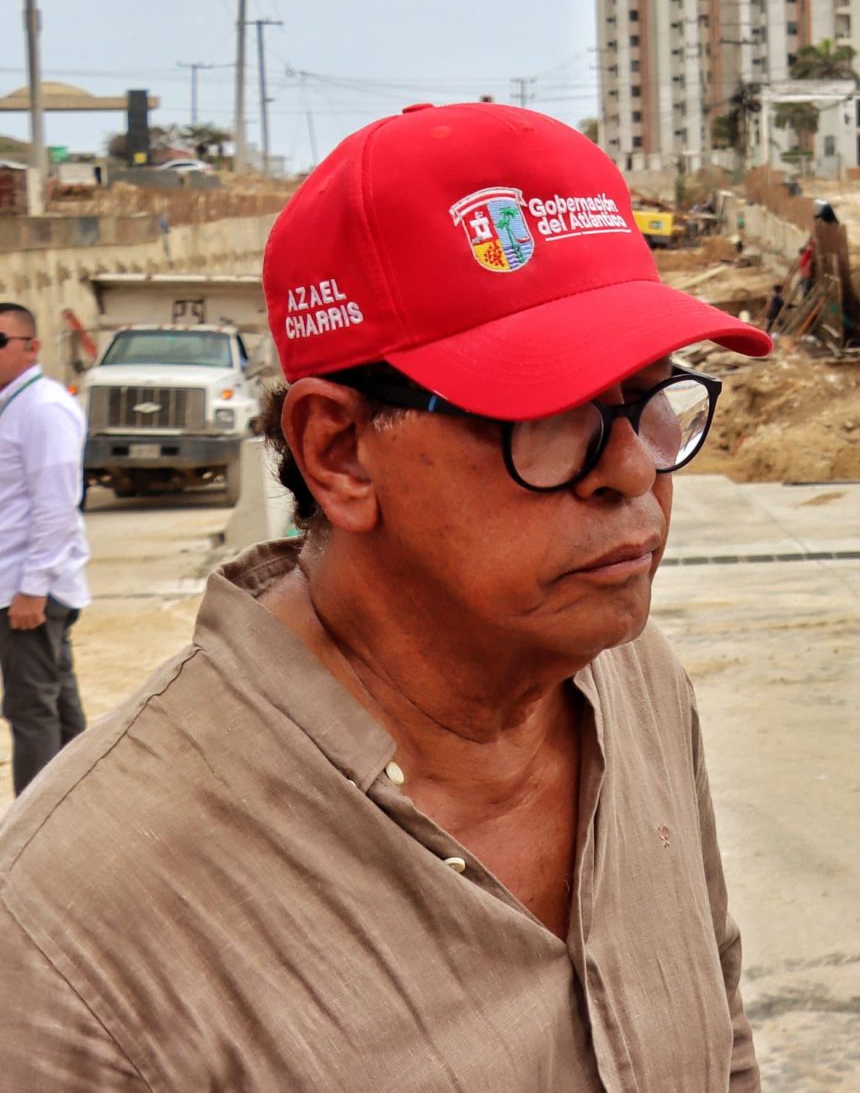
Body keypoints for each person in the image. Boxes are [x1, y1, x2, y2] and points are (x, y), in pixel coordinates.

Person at [0, 104, 773, 1089]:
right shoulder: (77, 933)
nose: (632, 469)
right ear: (339, 452)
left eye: (650, 399)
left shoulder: (634, 684)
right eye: (550, 412)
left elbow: (720, 1031)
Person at [0, 302, 89, 796]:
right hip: (19, 584)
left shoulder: (43, 408)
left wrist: (32, 589)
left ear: (31, 347)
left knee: (31, 710)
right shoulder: (14, 405)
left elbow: (57, 506)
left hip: (29, 590)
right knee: (58, 706)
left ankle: (32, 830)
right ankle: (76, 812)